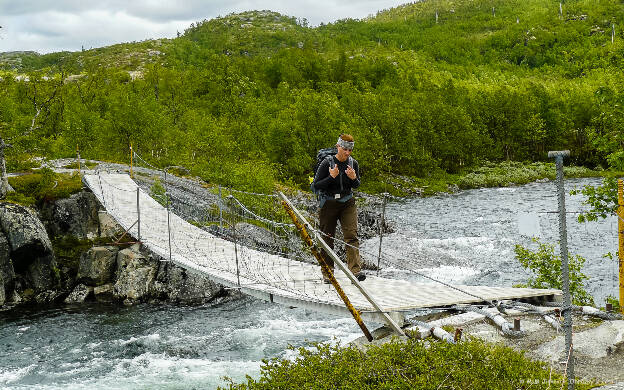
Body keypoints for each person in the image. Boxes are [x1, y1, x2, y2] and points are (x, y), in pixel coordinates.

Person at [312, 134, 365, 283]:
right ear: (338, 147)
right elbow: (316, 185)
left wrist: (354, 178)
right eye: (345, 149)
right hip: (329, 203)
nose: (347, 153)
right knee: (327, 238)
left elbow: (356, 185)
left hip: (347, 202)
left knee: (351, 235)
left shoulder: (353, 163)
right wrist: (331, 177)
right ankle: (328, 273)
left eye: (350, 150)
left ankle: (355, 271)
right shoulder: (326, 163)